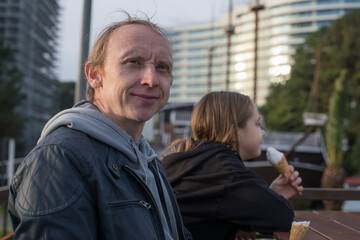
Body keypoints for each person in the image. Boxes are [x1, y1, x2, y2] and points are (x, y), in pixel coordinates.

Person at [8, 13, 192, 240]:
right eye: (133, 62)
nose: (151, 79)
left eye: (162, 67)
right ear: (94, 75)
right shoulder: (60, 159)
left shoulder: (145, 158)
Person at [161, 91, 303, 240]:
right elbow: (283, 218)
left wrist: (272, 195)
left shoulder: (194, 160)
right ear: (233, 131)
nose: (263, 133)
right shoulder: (226, 171)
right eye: (257, 124)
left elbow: (213, 213)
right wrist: (274, 200)